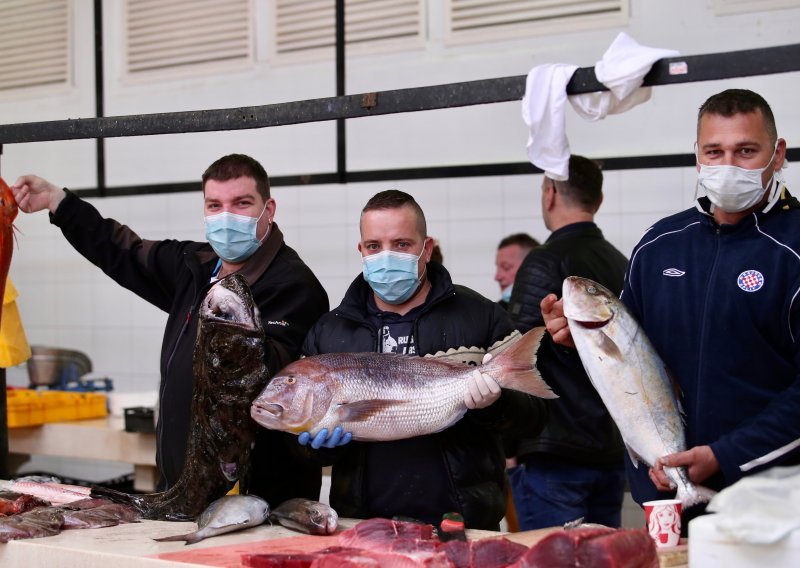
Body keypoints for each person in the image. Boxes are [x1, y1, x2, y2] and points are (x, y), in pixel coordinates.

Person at [542, 89, 800, 529]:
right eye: (714, 151)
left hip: (769, 505)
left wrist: (726, 456)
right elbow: (632, 367)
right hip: (663, 497)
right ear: (697, 157)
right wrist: (575, 343)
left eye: (746, 151)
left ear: (778, 154)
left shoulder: (793, 249)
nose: (728, 166)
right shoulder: (660, 245)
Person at [11, 154, 330, 504]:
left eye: (241, 203)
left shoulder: (294, 286)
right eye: (215, 205)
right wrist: (59, 202)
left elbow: (266, 385)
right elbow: (124, 250)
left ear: (268, 209)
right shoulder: (194, 267)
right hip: (180, 488)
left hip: (257, 500)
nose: (227, 216)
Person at [299, 189, 548, 530]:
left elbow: (534, 420)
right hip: (365, 527)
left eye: (401, 244)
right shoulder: (328, 334)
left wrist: (495, 404)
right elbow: (310, 446)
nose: (386, 256)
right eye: (374, 246)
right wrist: (319, 449)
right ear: (361, 250)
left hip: (462, 526)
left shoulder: (480, 316)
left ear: (426, 248)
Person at [504, 155, 629, 530]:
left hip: (554, 453)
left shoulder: (545, 262)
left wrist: (507, 447)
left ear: (550, 193)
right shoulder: (623, 263)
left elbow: (515, 357)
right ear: (599, 200)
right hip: (611, 448)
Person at [495, 233, 539, 309]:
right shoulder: (497, 312)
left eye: (506, 267)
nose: (497, 277)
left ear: (532, 269)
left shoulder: (553, 311)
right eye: (498, 268)